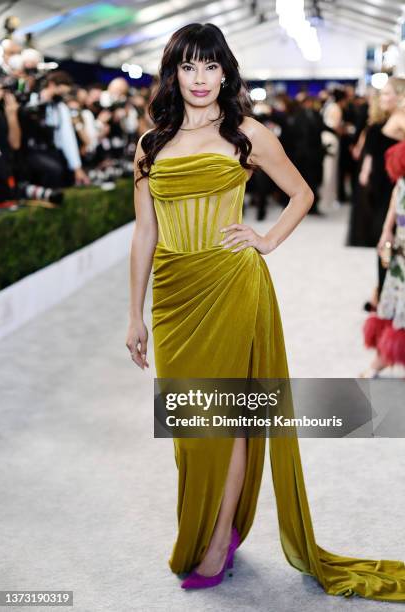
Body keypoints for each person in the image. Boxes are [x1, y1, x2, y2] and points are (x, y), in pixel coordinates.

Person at [126, 22, 405, 600]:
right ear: (173, 73)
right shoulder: (151, 142)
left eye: (210, 67)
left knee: (224, 419)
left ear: (225, 72)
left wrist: (268, 240)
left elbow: (301, 194)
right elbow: (144, 232)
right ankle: (216, 527)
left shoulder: (245, 132)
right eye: (188, 67)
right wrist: (135, 313)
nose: (200, 79)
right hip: (175, 293)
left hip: (232, 284)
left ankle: (217, 539)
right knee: (188, 424)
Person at [361, 140, 405, 377]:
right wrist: (387, 231)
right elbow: (398, 192)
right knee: (395, 299)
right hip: (401, 247)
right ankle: (385, 356)